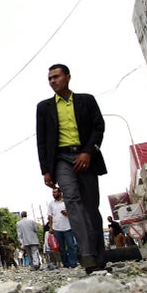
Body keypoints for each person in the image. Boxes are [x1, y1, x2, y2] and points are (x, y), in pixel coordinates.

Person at [36, 63, 107, 273]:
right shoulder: (44, 107)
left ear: (67, 77)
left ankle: (99, 257)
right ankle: (87, 255)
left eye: (56, 77)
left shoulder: (86, 100)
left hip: (86, 157)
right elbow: (41, 141)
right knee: (73, 202)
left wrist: (88, 152)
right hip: (61, 160)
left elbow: (99, 127)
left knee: (91, 206)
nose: (52, 81)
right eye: (49, 78)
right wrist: (45, 170)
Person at [47, 187, 79, 268]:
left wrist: (67, 213)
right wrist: (51, 227)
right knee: (61, 247)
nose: (53, 194)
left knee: (71, 245)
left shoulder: (66, 201)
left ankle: (73, 262)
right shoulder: (51, 204)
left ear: (60, 193)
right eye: (53, 193)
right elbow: (50, 216)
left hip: (67, 227)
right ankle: (65, 263)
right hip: (57, 228)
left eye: (55, 192)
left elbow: (74, 212)